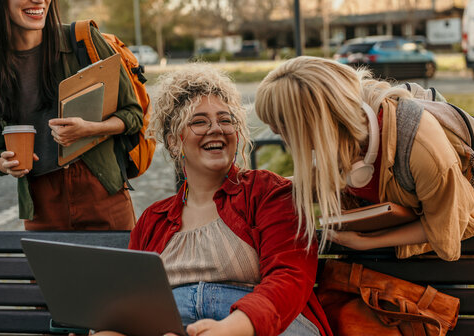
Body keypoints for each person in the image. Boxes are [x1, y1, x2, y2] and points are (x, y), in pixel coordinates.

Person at [92, 64, 332, 336]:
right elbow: (130, 302)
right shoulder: (153, 220)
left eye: (225, 120)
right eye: (199, 121)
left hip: (260, 327)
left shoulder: (267, 193)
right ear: (173, 142)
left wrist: (230, 329)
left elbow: (290, 277)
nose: (216, 128)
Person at [254, 56, 474, 261]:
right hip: (380, 259)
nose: (278, 134)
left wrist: (366, 242)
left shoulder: (421, 148)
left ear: (317, 121)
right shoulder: (343, 131)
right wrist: (258, 190)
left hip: (437, 265)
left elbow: (444, 229)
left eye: (283, 125)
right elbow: (320, 182)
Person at [0, 0, 142, 230]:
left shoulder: (82, 41)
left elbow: (133, 114)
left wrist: (91, 129)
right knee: (50, 271)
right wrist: (4, 163)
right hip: (41, 206)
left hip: (101, 191)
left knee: (119, 270)